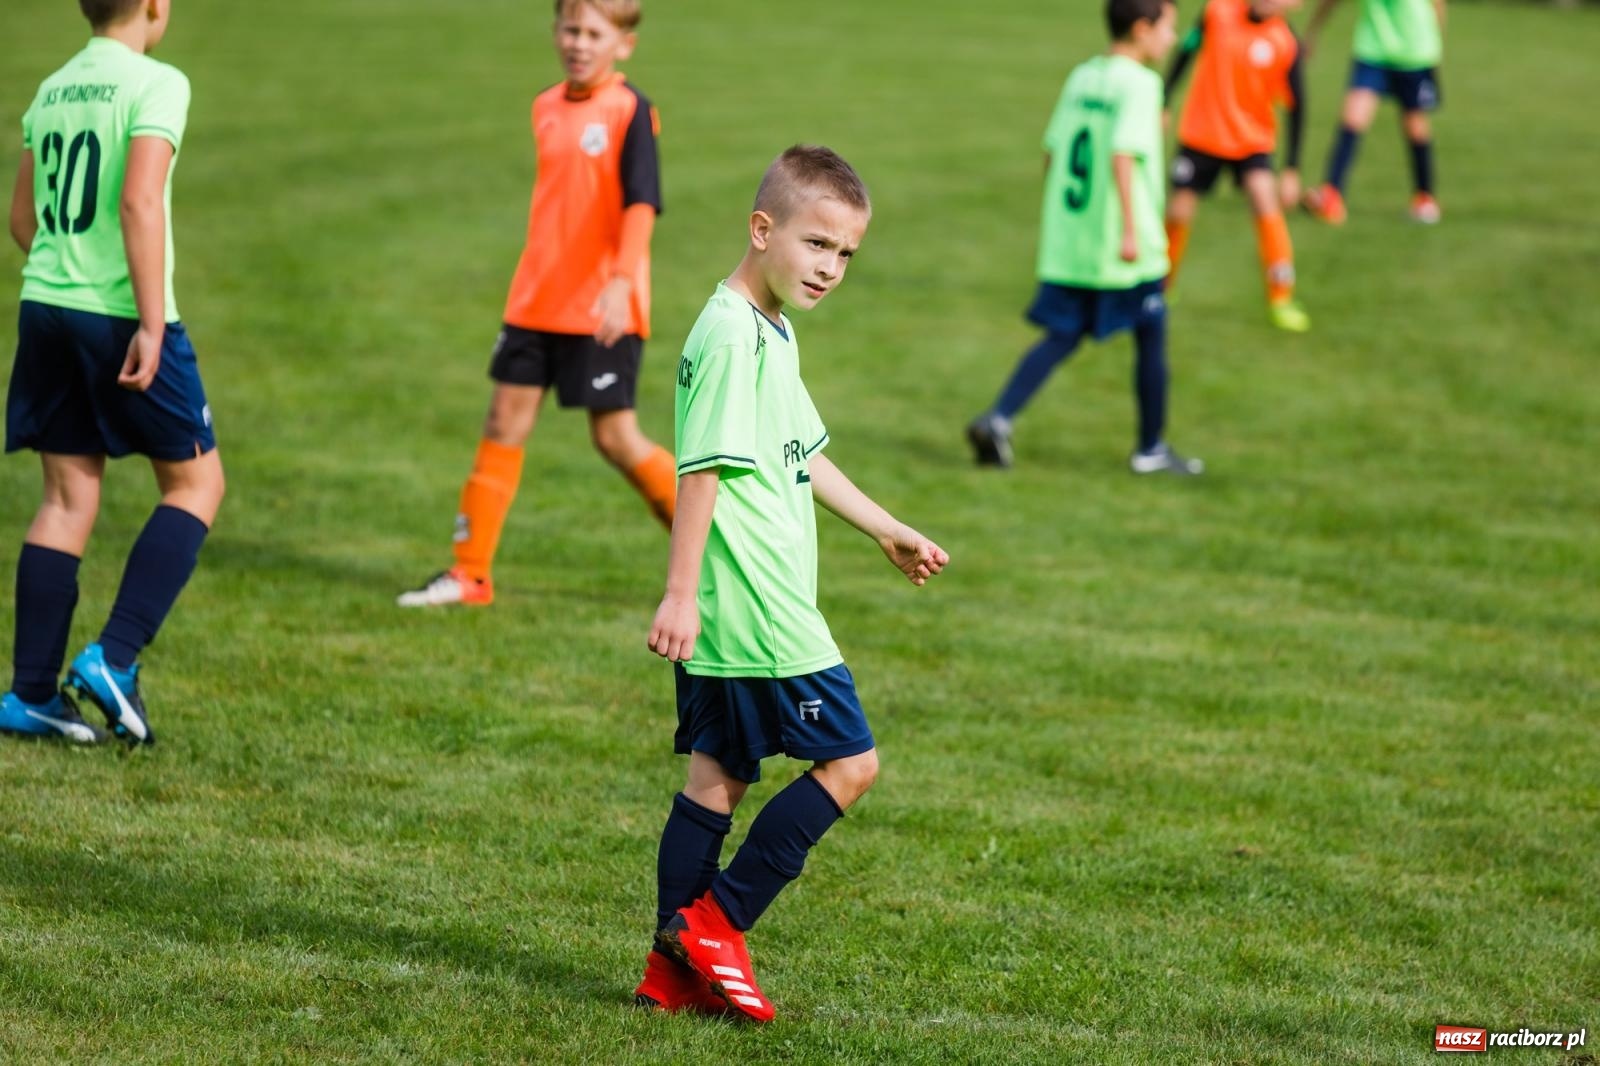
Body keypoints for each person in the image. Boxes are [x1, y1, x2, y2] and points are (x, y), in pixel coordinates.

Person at [636, 146, 949, 1021]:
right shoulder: (734, 334)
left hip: (740, 611)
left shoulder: (765, 324)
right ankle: (718, 926)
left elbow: (802, 456)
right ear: (762, 229)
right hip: (763, 613)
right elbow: (699, 472)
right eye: (817, 245)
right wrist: (679, 591)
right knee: (852, 764)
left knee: (717, 779)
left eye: (845, 255)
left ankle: (669, 977)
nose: (830, 269)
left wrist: (886, 528)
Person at [398, 0, 673, 608]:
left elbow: (640, 204)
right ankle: (470, 574)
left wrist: (622, 282)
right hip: (534, 301)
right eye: (570, 29)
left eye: (594, 33)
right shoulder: (545, 106)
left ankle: (713, 550)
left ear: (623, 44)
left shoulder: (630, 111)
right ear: (555, 31)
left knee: (616, 438)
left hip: (601, 307)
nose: (579, 42)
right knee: (502, 424)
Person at [2, 0, 224, 746]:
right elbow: (137, 199)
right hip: (118, 312)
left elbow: (21, 220)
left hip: (44, 305)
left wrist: (62, 274)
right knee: (197, 484)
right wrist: (152, 324)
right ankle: (114, 660)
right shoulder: (156, 83)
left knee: (67, 497)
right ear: (157, 6)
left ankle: (31, 694)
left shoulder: (53, 87)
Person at [967, 0, 1203, 475]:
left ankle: (999, 417)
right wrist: (1133, 232)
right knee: (1152, 332)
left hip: (1074, 239)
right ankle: (1150, 449)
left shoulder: (1083, 76)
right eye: (1168, 28)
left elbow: (1053, 153)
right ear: (1142, 28)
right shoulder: (1142, 84)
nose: (1172, 40)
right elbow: (1121, 156)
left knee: (1065, 333)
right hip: (1122, 247)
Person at [1164, 0, 1312, 332]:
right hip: (1202, 133)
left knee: (1265, 200)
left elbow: (1298, 106)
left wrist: (1291, 168)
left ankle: (1281, 297)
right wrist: (1164, 97)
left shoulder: (1285, 43)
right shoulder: (1218, 10)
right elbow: (1187, 49)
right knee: (1178, 211)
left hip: (1251, 140)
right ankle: (1161, 287)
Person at [1303, 0, 1446, 224]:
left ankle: (1424, 198)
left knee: (1414, 124)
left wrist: (1435, 35)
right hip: (1373, 49)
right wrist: (1313, 30)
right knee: (1352, 118)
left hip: (1413, 50)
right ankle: (1332, 195)